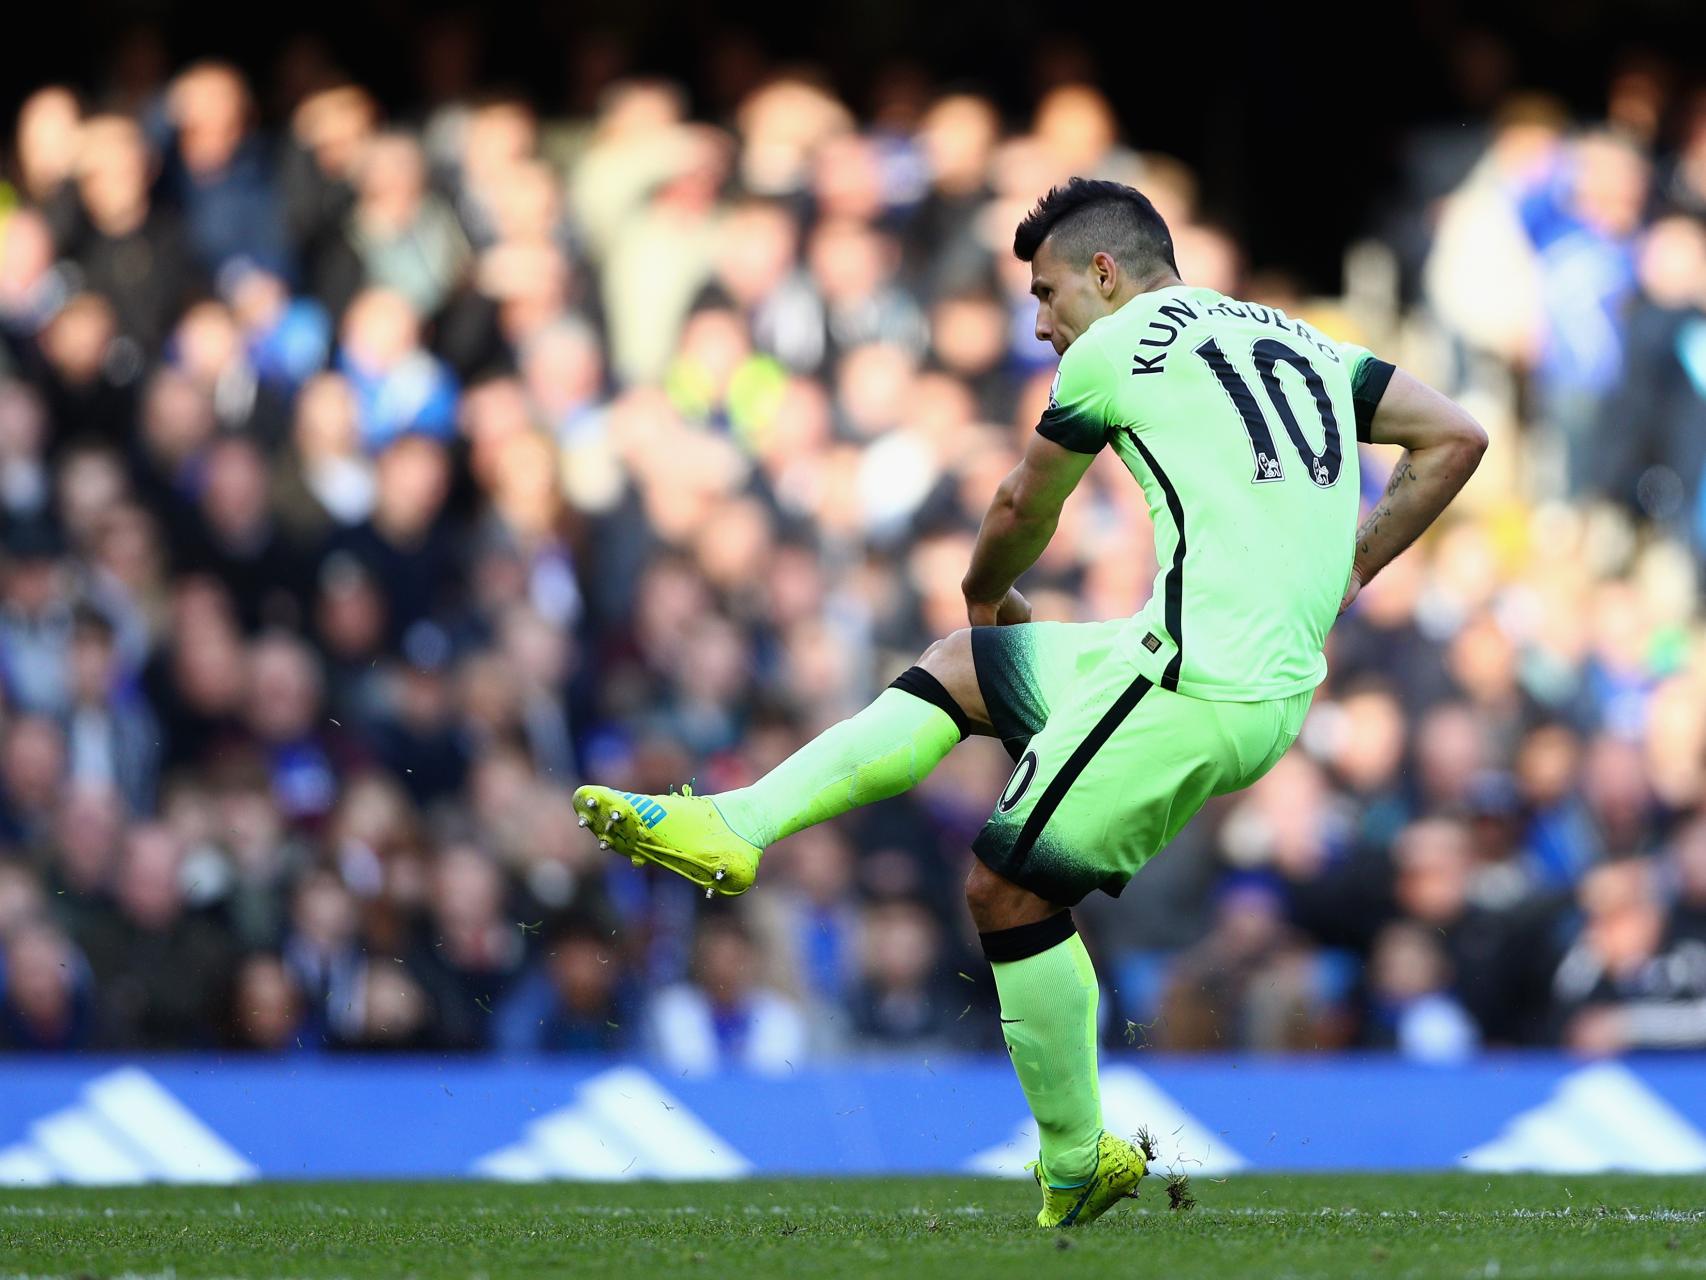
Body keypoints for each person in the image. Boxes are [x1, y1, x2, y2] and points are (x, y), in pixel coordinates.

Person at [574, 178, 1487, 1227]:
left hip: (1190, 679)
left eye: (1047, 293)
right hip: (1223, 665)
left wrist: (980, 587)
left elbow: (1021, 504)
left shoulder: (1119, 346)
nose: (1041, 323)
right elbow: (1454, 436)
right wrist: (1350, 569)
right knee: (962, 669)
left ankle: (1074, 1155)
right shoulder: (1301, 338)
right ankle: (736, 823)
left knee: (1004, 891)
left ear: (1106, 273)